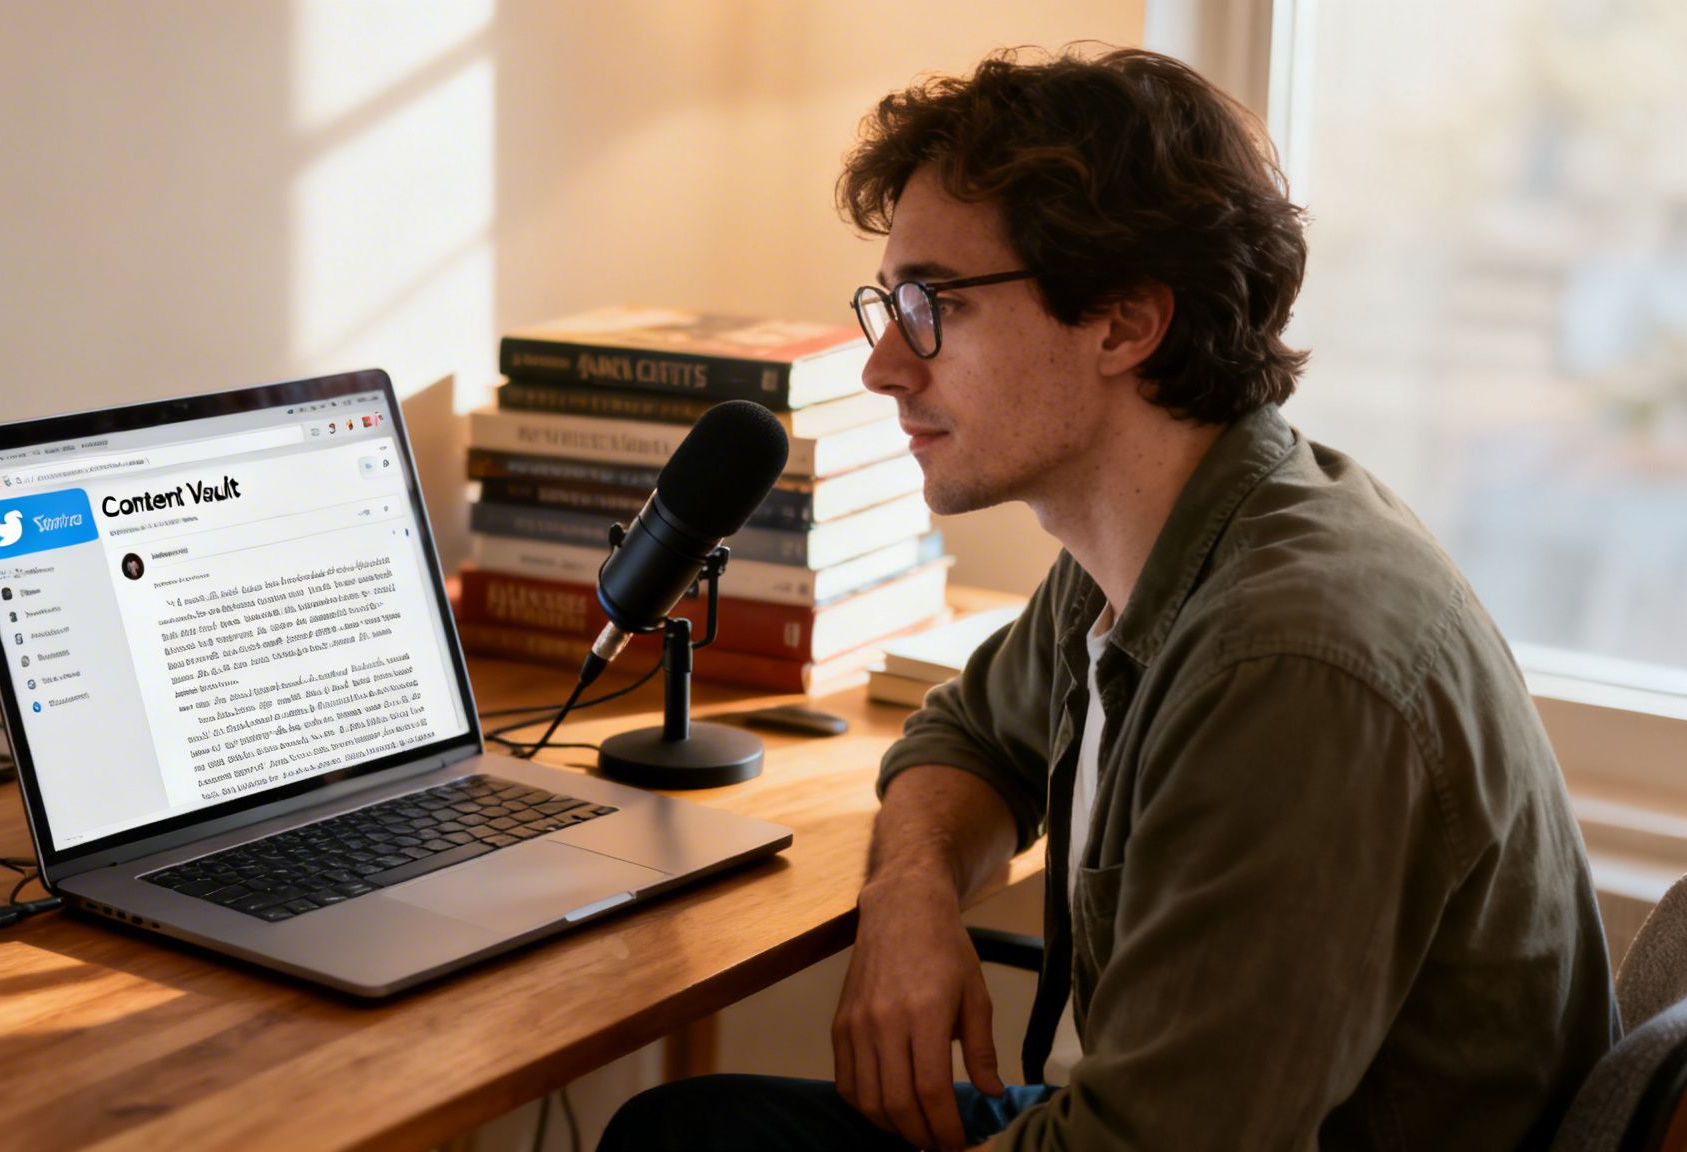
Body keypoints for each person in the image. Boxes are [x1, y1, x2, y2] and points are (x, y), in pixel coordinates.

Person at [598, 46, 1615, 1151]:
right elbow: (970, 735)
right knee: (688, 1131)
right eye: (886, 304)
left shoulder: (1289, 664)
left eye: (931, 305)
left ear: (1125, 324)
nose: (883, 366)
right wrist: (909, 896)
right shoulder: (1147, 538)